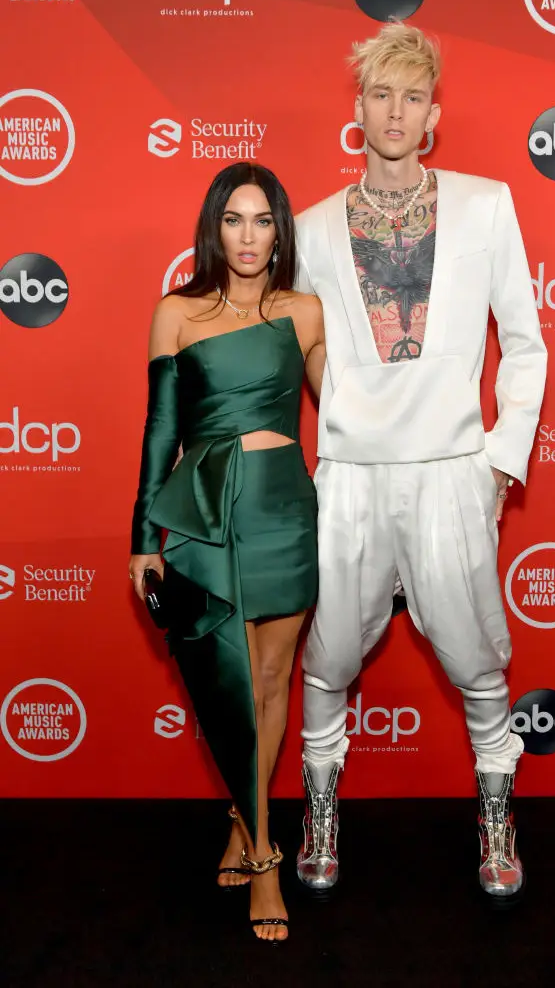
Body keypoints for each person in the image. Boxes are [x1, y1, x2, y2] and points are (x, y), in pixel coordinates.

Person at [294, 23, 547, 902]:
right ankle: (319, 813)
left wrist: (497, 464)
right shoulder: (311, 227)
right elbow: (298, 350)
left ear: (432, 115)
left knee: (479, 662)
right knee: (326, 658)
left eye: (410, 96)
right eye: (379, 94)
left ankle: (496, 817)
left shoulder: (487, 204)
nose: (393, 111)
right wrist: (340, 426)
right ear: (358, 107)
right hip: (352, 476)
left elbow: (525, 343)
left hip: (452, 471)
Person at [129, 163, 324, 943]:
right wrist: (145, 538)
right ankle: (266, 855)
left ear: (281, 230)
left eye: (263, 220)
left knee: (274, 678)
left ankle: (245, 824)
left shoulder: (305, 312)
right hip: (209, 517)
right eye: (234, 220)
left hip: (284, 509)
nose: (248, 236)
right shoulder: (176, 313)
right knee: (233, 684)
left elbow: (348, 412)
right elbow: (159, 432)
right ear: (214, 229)